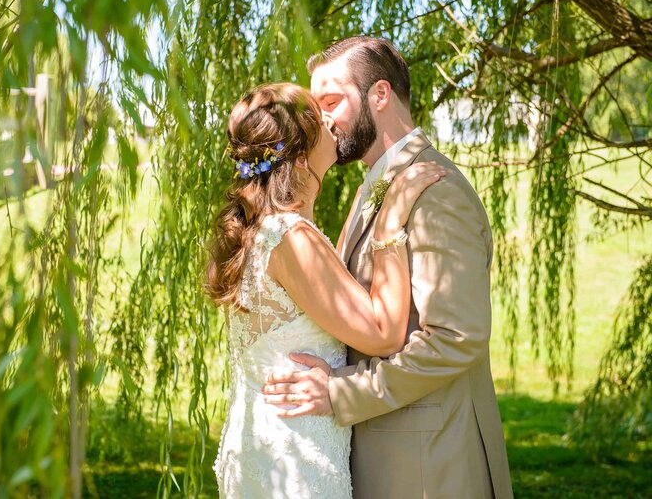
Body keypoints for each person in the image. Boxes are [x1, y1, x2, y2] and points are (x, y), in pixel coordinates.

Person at [262, 36, 513, 498]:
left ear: (379, 95)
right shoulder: (372, 188)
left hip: (429, 467)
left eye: (331, 102)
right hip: (390, 457)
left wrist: (340, 392)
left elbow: (457, 338)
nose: (320, 121)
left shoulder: (436, 192)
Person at [205, 82, 445, 498]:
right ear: (300, 158)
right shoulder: (289, 236)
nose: (331, 120)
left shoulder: (263, 229)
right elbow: (384, 333)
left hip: (268, 442)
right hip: (294, 458)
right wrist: (389, 228)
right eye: (318, 117)